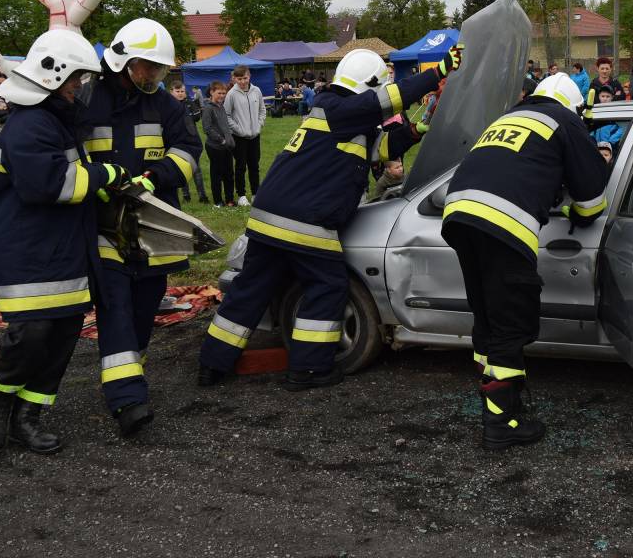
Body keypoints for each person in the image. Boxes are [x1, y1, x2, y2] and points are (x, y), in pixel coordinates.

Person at [197, 46, 462, 389]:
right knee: (328, 286)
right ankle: (309, 368)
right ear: (370, 85)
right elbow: (387, 100)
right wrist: (438, 71)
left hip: (268, 217)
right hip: (305, 220)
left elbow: (380, 148)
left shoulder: (341, 115)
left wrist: (415, 130)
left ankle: (212, 364)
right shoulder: (340, 107)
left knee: (250, 289)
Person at [0, 28, 124, 454]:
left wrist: (97, 190)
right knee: (32, 333)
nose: (79, 86)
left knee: (62, 334)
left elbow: (68, 175)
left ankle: (29, 416)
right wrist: (106, 175)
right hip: (28, 249)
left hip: (62, 247)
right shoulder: (30, 125)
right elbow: (51, 184)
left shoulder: (54, 121)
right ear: (52, 75)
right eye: (75, 78)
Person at [441, 73, 608, 449]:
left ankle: (497, 400)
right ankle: (502, 423)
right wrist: (576, 212)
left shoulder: (510, 117)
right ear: (573, 106)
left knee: (488, 316)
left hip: (458, 215)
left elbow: (511, 167)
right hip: (503, 222)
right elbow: (592, 199)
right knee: (511, 323)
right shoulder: (565, 120)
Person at [81, 18, 202, 437]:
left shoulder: (166, 105)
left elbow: (189, 149)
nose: (155, 75)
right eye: (149, 67)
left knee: (146, 302)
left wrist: (156, 177)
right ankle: (127, 398)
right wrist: (94, 182)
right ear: (124, 61)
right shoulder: (87, 100)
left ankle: (128, 365)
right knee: (114, 301)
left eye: (159, 68)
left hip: (152, 219)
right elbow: (68, 151)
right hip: (103, 222)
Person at [224, 65, 267, 206]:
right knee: (240, 166)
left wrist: (259, 125)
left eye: (245, 78)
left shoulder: (257, 91)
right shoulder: (231, 94)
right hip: (239, 137)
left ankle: (255, 193)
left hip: (255, 136)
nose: (242, 81)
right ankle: (241, 195)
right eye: (239, 79)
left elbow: (262, 110)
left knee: (254, 166)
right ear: (234, 79)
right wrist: (238, 129)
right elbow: (226, 115)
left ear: (249, 76)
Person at [169, 81, 209, 204]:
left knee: (196, 169)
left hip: (191, 140)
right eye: (177, 91)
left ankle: (202, 196)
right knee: (181, 169)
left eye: (182, 91)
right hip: (176, 141)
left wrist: (190, 105)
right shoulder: (168, 105)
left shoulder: (188, 103)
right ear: (171, 92)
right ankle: (186, 195)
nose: (180, 93)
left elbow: (197, 116)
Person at [202, 80, 236, 207]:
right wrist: (221, 140)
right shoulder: (208, 108)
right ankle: (218, 201)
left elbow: (225, 126)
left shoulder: (221, 107)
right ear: (212, 92)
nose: (222, 96)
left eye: (224, 93)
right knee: (216, 175)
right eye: (219, 93)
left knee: (229, 174)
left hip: (227, 146)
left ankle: (229, 200)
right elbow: (207, 128)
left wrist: (229, 140)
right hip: (215, 147)